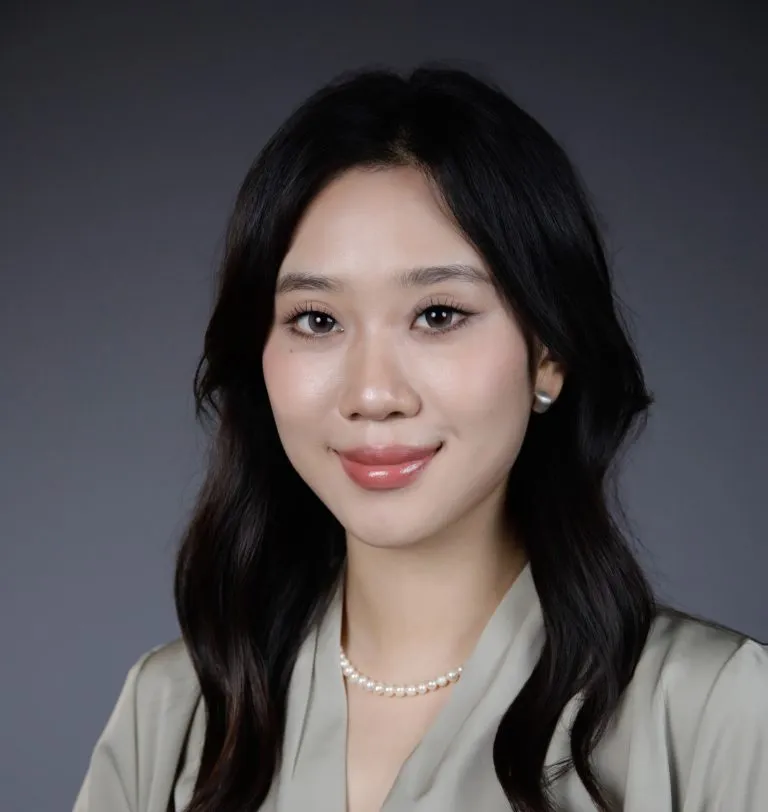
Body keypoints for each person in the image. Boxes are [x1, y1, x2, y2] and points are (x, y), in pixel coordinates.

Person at [72, 64, 768, 812]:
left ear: (549, 352)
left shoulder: (714, 711)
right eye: (317, 320)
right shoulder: (174, 713)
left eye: (438, 314)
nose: (373, 394)